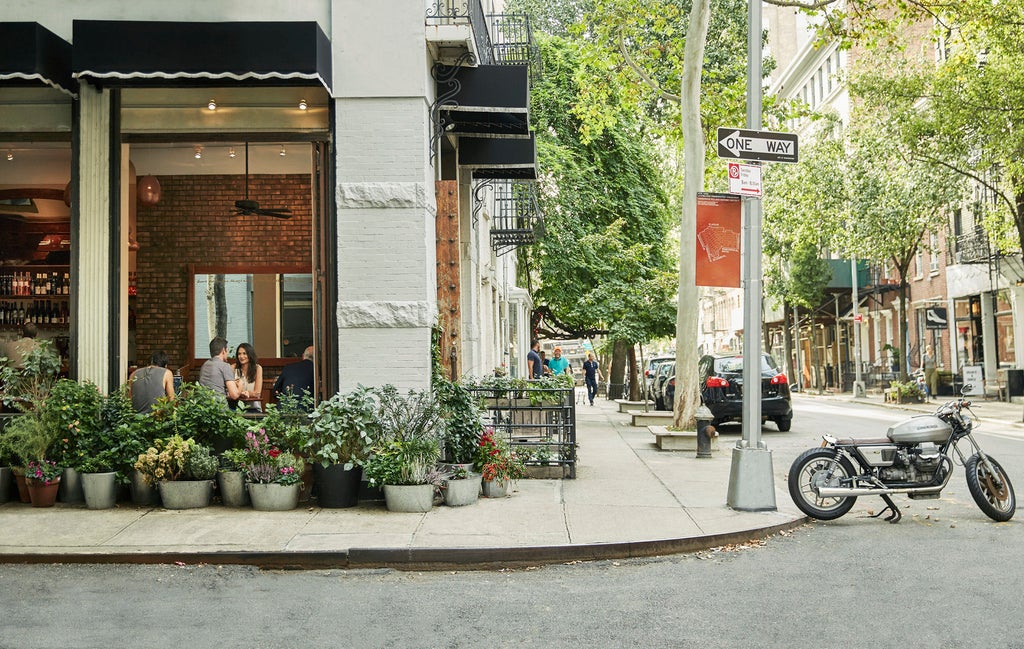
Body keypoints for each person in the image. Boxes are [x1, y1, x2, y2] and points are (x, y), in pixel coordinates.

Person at [198, 336, 241, 403]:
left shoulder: (205, 365)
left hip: (204, 408)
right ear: (224, 351)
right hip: (219, 409)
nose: (227, 354)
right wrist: (241, 385)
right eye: (227, 351)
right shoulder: (225, 366)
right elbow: (234, 395)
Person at [233, 342, 264, 412]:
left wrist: (247, 393)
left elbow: (257, 393)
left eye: (244, 353)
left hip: (253, 407)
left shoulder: (258, 368)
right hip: (237, 407)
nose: (241, 356)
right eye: (239, 354)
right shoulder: (233, 368)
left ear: (250, 354)